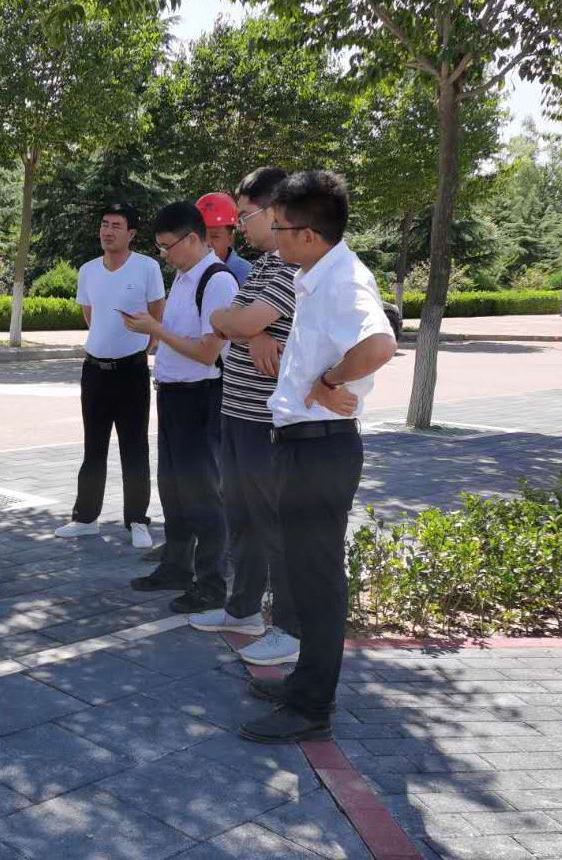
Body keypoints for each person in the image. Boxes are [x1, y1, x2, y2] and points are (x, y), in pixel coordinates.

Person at [237, 170, 396, 745]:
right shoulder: (315, 277)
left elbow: (380, 343)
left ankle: (311, 707)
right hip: (302, 446)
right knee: (305, 580)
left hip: (321, 449)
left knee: (319, 582)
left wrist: (330, 379)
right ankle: (304, 682)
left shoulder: (344, 281)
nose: (273, 236)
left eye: (279, 226)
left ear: (307, 234)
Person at [190, 166, 302, 667]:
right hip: (235, 409)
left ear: (276, 210)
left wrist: (247, 325)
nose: (240, 223)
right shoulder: (261, 267)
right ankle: (243, 610)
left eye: (246, 214)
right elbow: (221, 319)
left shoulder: (294, 268)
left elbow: (239, 319)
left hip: (266, 417)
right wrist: (250, 330)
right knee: (241, 516)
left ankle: (289, 628)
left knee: (273, 523)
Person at [119, 203, 237, 615]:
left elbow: (207, 353)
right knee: (172, 489)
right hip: (173, 396)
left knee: (202, 493)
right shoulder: (185, 276)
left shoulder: (217, 281)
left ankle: (211, 583)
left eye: (168, 246)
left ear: (192, 238)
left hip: (200, 398)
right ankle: (176, 567)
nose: (165, 255)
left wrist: (155, 329)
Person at [53, 203, 164, 549]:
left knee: (134, 447)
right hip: (95, 370)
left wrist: (144, 347)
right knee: (93, 447)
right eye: (104, 224)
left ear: (131, 233)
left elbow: (157, 314)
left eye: (116, 226)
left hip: (131, 370)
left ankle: (137, 520)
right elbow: (91, 316)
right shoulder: (88, 270)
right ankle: (85, 518)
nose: (108, 231)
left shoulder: (147, 267)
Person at [197, 192, 252, 286]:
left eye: (215, 236)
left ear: (230, 238)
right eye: (202, 236)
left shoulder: (245, 274)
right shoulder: (189, 271)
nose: (207, 243)